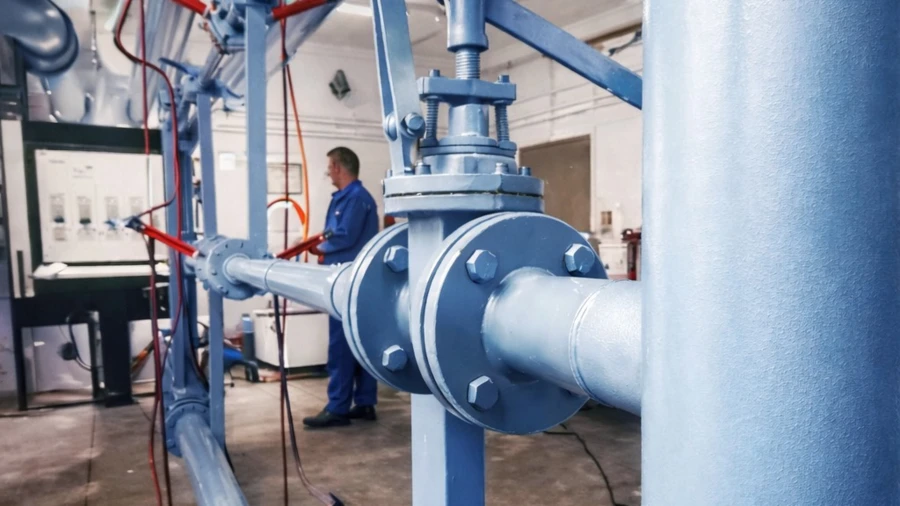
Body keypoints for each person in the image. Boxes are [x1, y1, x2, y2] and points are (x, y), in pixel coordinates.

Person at [302, 147, 380, 428]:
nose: (328, 172)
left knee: (343, 347)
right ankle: (364, 402)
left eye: (329, 167)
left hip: (345, 285)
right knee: (358, 345)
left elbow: (344, 236)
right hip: (349, 282)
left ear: (337, 166)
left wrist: (319, 248)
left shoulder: (356, 198)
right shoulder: (350, 198)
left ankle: (338, 407)